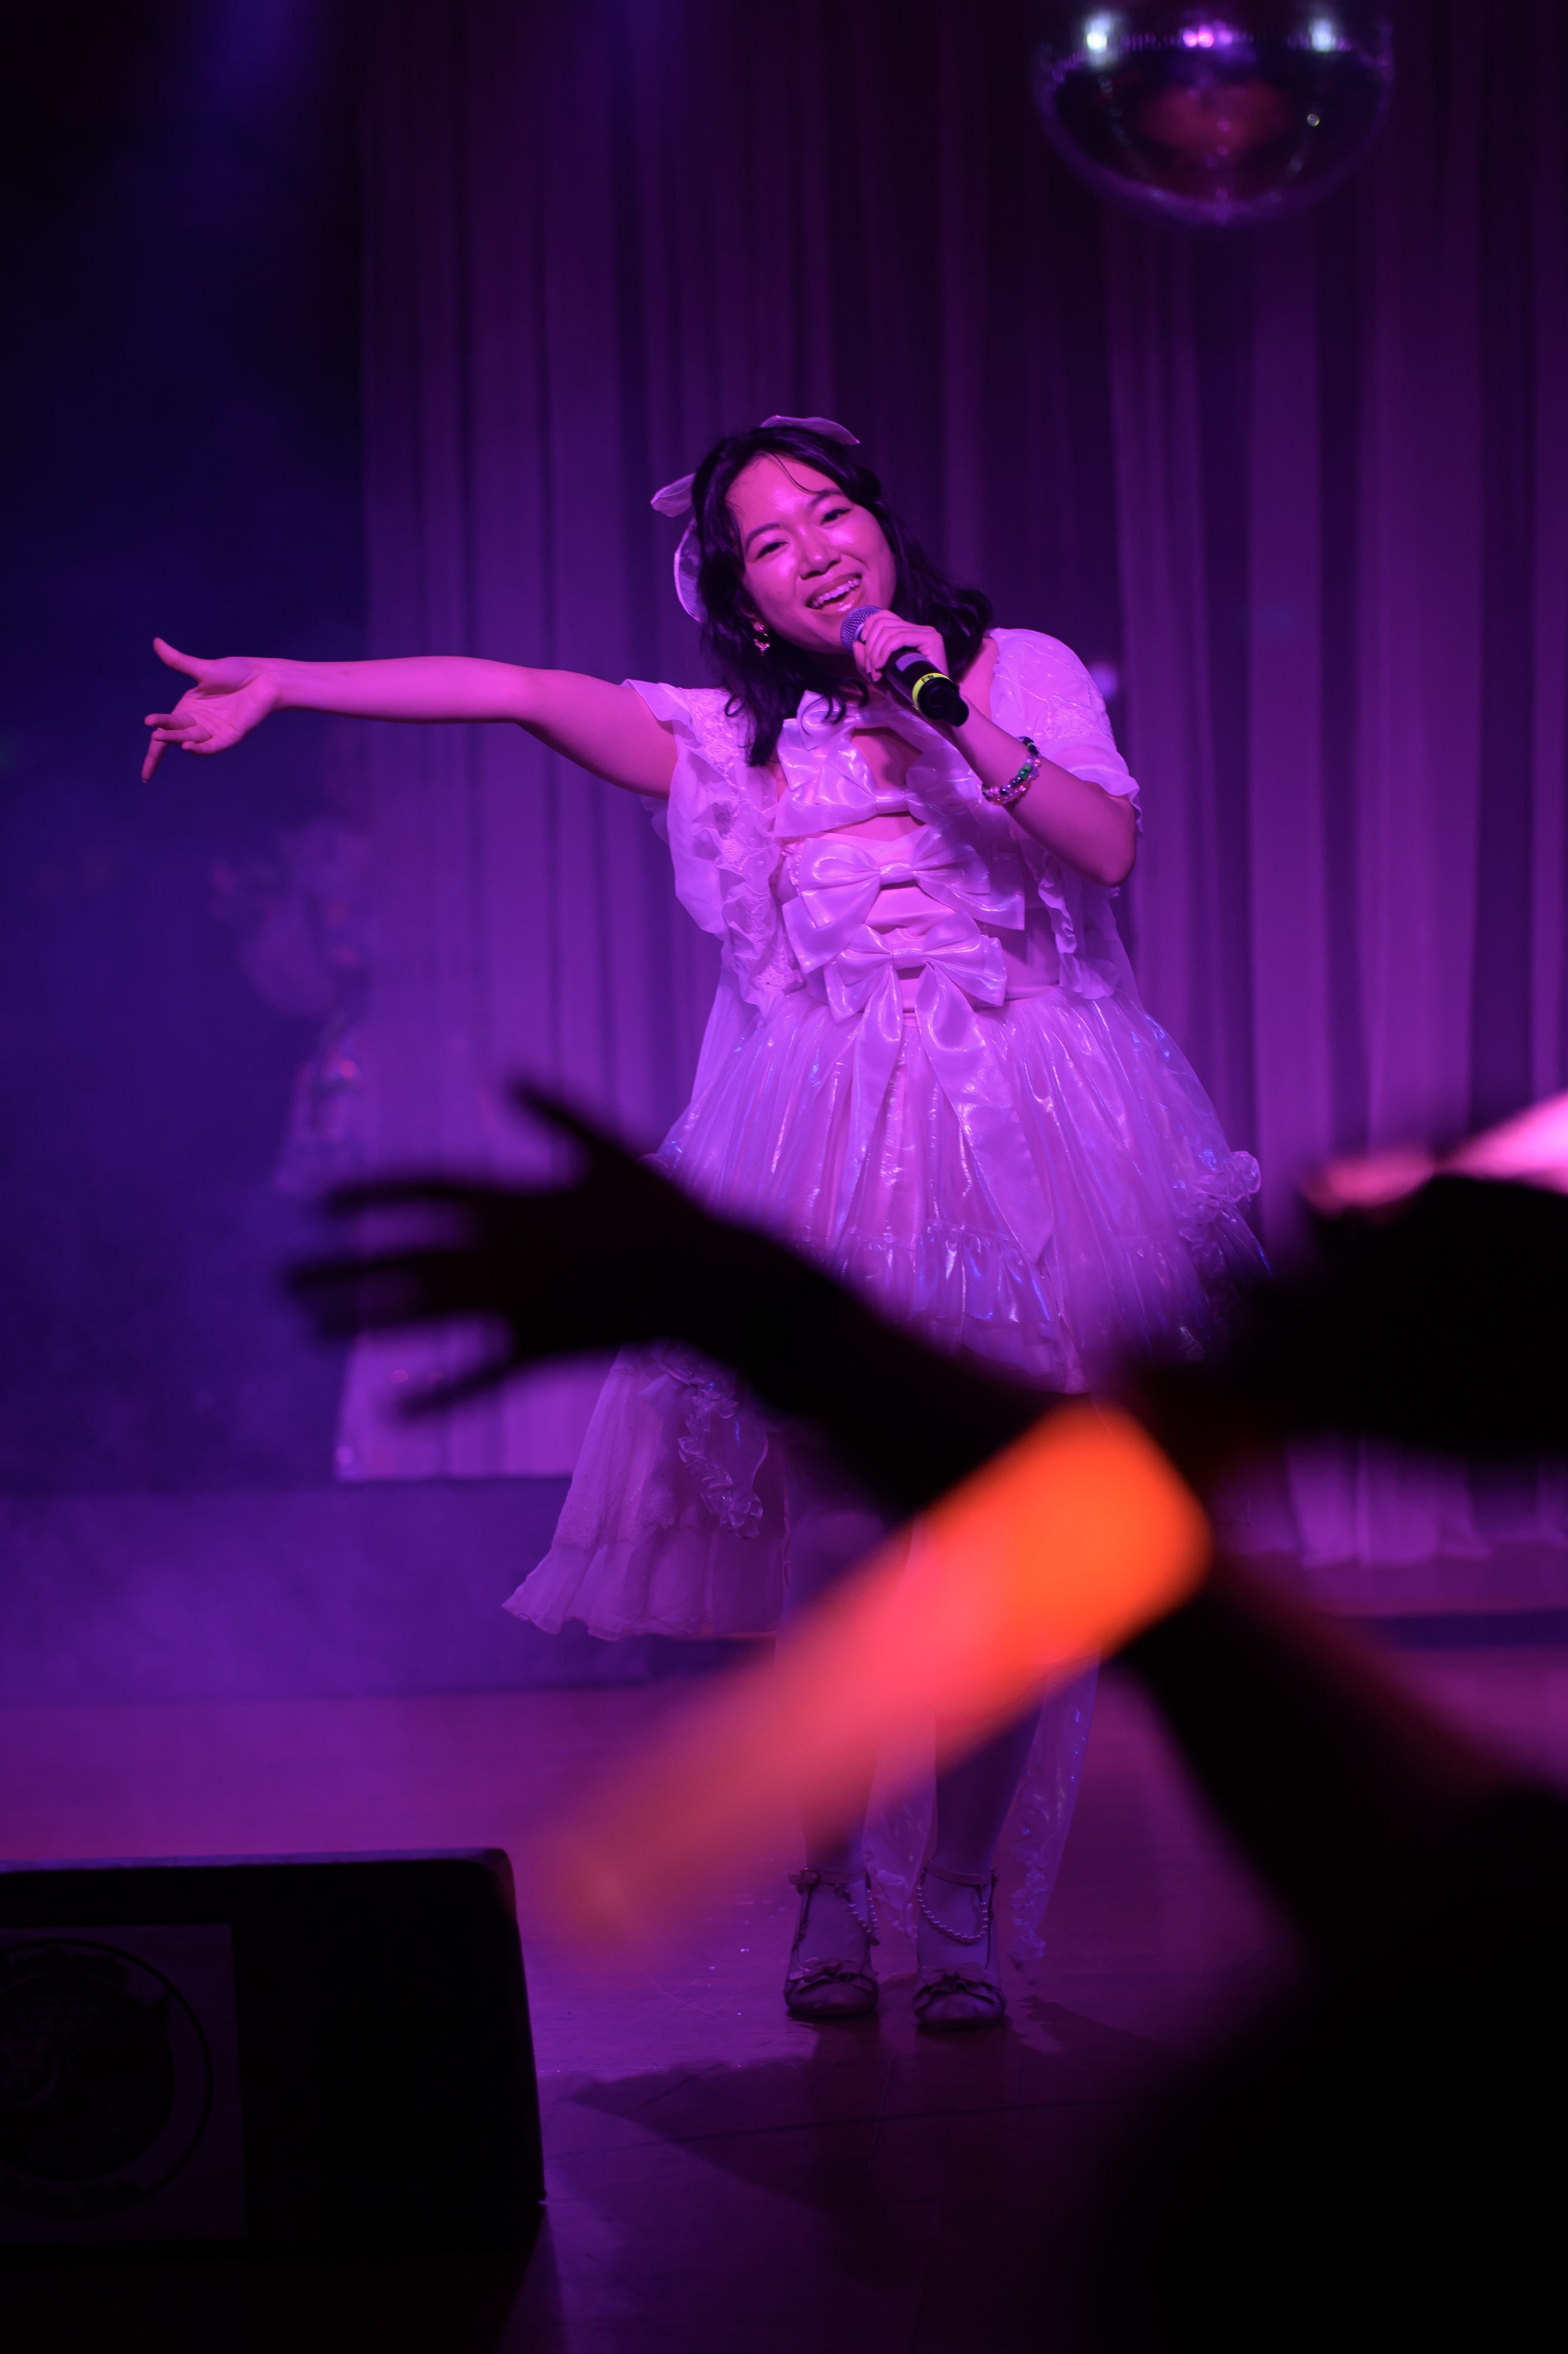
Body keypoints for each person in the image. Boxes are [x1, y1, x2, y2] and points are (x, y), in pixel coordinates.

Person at [144, 415, 1264, 2028]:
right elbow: (514, 691)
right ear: (737, 595)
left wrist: (945, 720)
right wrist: (288, 678)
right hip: (831, 1143)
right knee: (831, 1530)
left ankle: (950, 1904)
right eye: (770, 542)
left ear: (878, 523)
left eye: (830, 513)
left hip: (1035, 1120)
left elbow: (1104, 842)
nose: (816, 549)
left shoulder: (1009, 664)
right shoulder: (722, 743)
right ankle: (829, 1885)